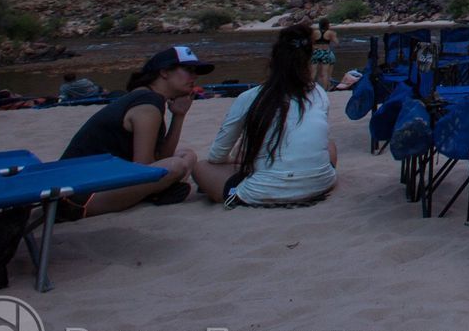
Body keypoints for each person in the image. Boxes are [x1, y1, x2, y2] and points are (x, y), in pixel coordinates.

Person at [56, 46, 211, 218]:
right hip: (77, 198)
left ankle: (158, 192)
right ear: (164, 72)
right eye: (189, 70)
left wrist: (179, 116)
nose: (195, 76)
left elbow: (159, 158)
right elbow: (144, 169)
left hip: (96, 183)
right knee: (177, 165)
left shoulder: (146, 97)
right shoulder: (147, 105)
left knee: (187, 155)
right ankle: (157, 193)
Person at [193, 23, 338, 208]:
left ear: (272, 62)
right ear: (309, 60)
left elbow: (217, 156)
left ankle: (242, 190)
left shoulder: (250, 97)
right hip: (321, 183)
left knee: (201, 167)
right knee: (330, 146)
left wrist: (238, 159)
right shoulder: (319, 93)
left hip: (263, 191)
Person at [312, 15, 339, 90]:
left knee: (313, 72)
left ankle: (309, 88)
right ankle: (325, 89)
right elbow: (337, 44)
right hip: (325, 52)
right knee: (324, 73)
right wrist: (334, 36)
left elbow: (310, 43)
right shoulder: (330, 33)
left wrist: (315, 48)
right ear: (327, 24)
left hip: (316, 52)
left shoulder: (315, 32)